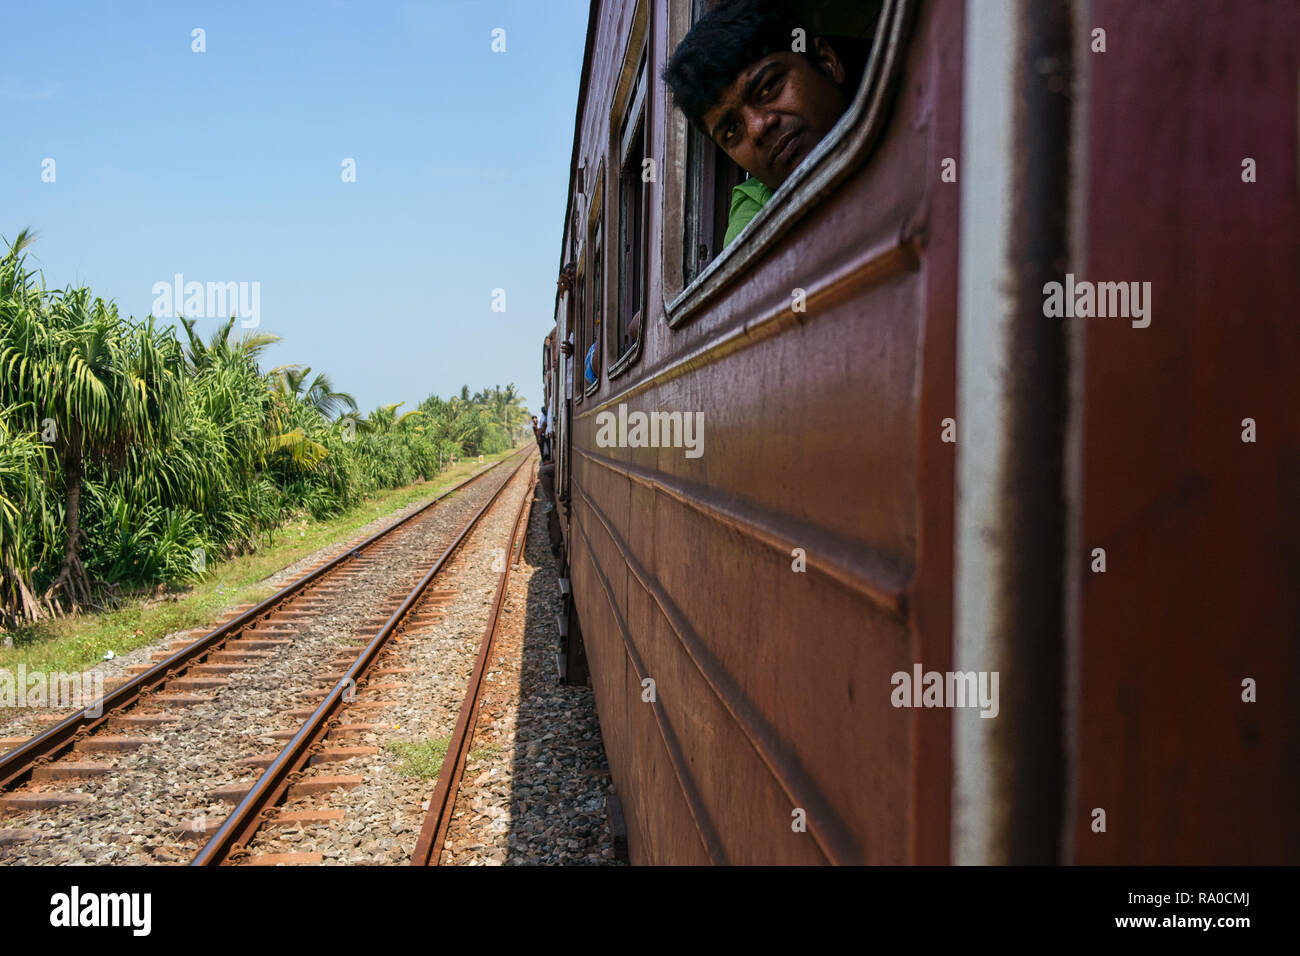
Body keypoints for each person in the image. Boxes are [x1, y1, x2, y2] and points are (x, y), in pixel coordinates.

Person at [662, 0, 870, 248]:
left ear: (826, 61)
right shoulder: (753, 213)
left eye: (767, 88)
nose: (758, 128)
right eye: (731, 130)